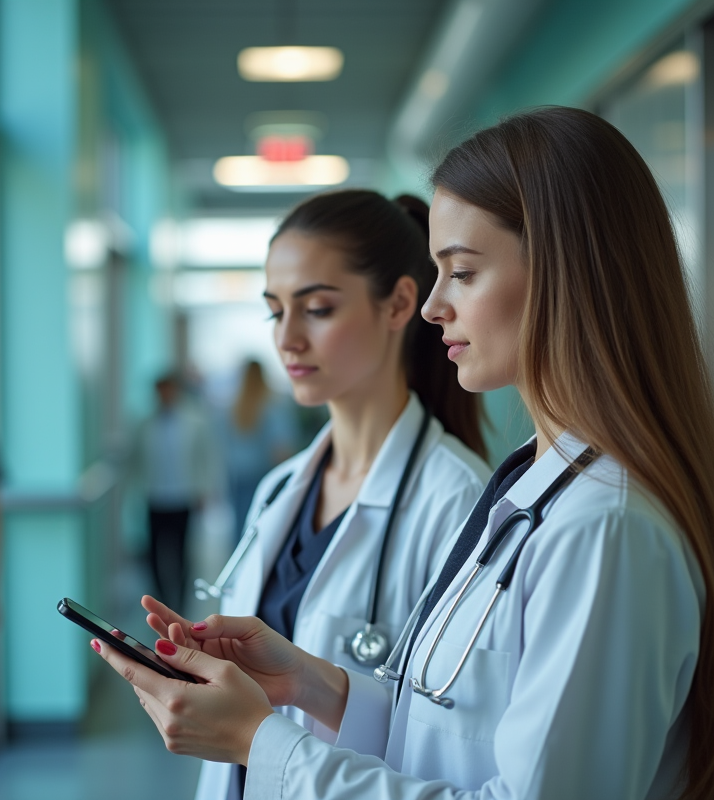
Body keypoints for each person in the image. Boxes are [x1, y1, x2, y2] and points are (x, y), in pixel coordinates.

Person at [93, 108, 714, 799]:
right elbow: (450, 736)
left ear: (565, 273)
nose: (432, 307)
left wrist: (262, 743)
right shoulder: (532, 489)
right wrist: (310, 684)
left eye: (463, 273)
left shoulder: (604, 529)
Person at [181, 189, 491, 800]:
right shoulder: (279, 490)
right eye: (275, 312)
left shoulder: (458, 502)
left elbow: (454, 743)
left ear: (399, 303)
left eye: (317, 309)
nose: (287, 339)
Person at [137, 371, 215, 606]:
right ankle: (160, 598)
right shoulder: (145, 424)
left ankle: (179, 601)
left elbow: (206, 458)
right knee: (154, 552)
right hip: (155, 495)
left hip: (183, 495)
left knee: (182, 552)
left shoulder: (194, 422)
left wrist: (205, 489)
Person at [222, 359, 297, 547]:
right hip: (263, 474)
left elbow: (224, 446)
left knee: (240, 526)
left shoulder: (233, 406)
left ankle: (240, 563)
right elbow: (281, 447)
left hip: (237, 475)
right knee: (262, 527)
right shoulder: (272, 404)